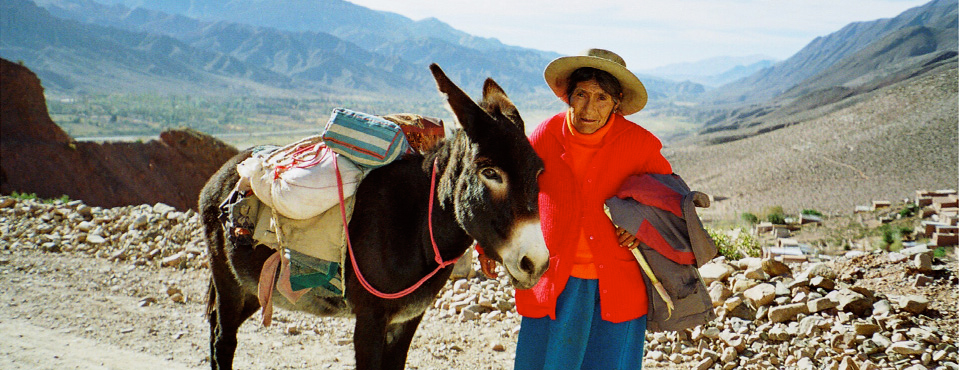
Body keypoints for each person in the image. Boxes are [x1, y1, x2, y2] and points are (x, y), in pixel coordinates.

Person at [479, 48, 673, 369]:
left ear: (617, 102)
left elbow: (670, 200)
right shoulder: (545, 135)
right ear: (568, 95)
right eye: (581, 94)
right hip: (554, 279)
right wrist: (488, 245)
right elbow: (511, 195)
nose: (589, 108)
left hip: (617, 284)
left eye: (601, 98)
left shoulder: (640, 144)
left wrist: (643, 224)